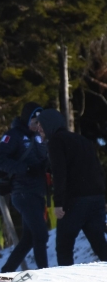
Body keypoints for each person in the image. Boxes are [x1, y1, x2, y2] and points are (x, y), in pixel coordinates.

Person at [37, 109, 107, 266]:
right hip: (96, 198)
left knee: (64, 246)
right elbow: (98, 169)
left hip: (75, 201)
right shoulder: (82, 140)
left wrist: (59, 202)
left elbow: (60, 173)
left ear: (49, 125)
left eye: (41, 125)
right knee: (100, 245)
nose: (39, 129)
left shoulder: (56, 141)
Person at [0, 102, 49, 272]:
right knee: (41, 234)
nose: (37, 124)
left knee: (29, 238)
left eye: (40, 121)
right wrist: (25, 168)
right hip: (22, 192)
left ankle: (7, 270)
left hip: (38, 192)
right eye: (34, 120)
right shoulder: (14, 135)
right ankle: (44, 272)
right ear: (27, 119)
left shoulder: (41, 137)